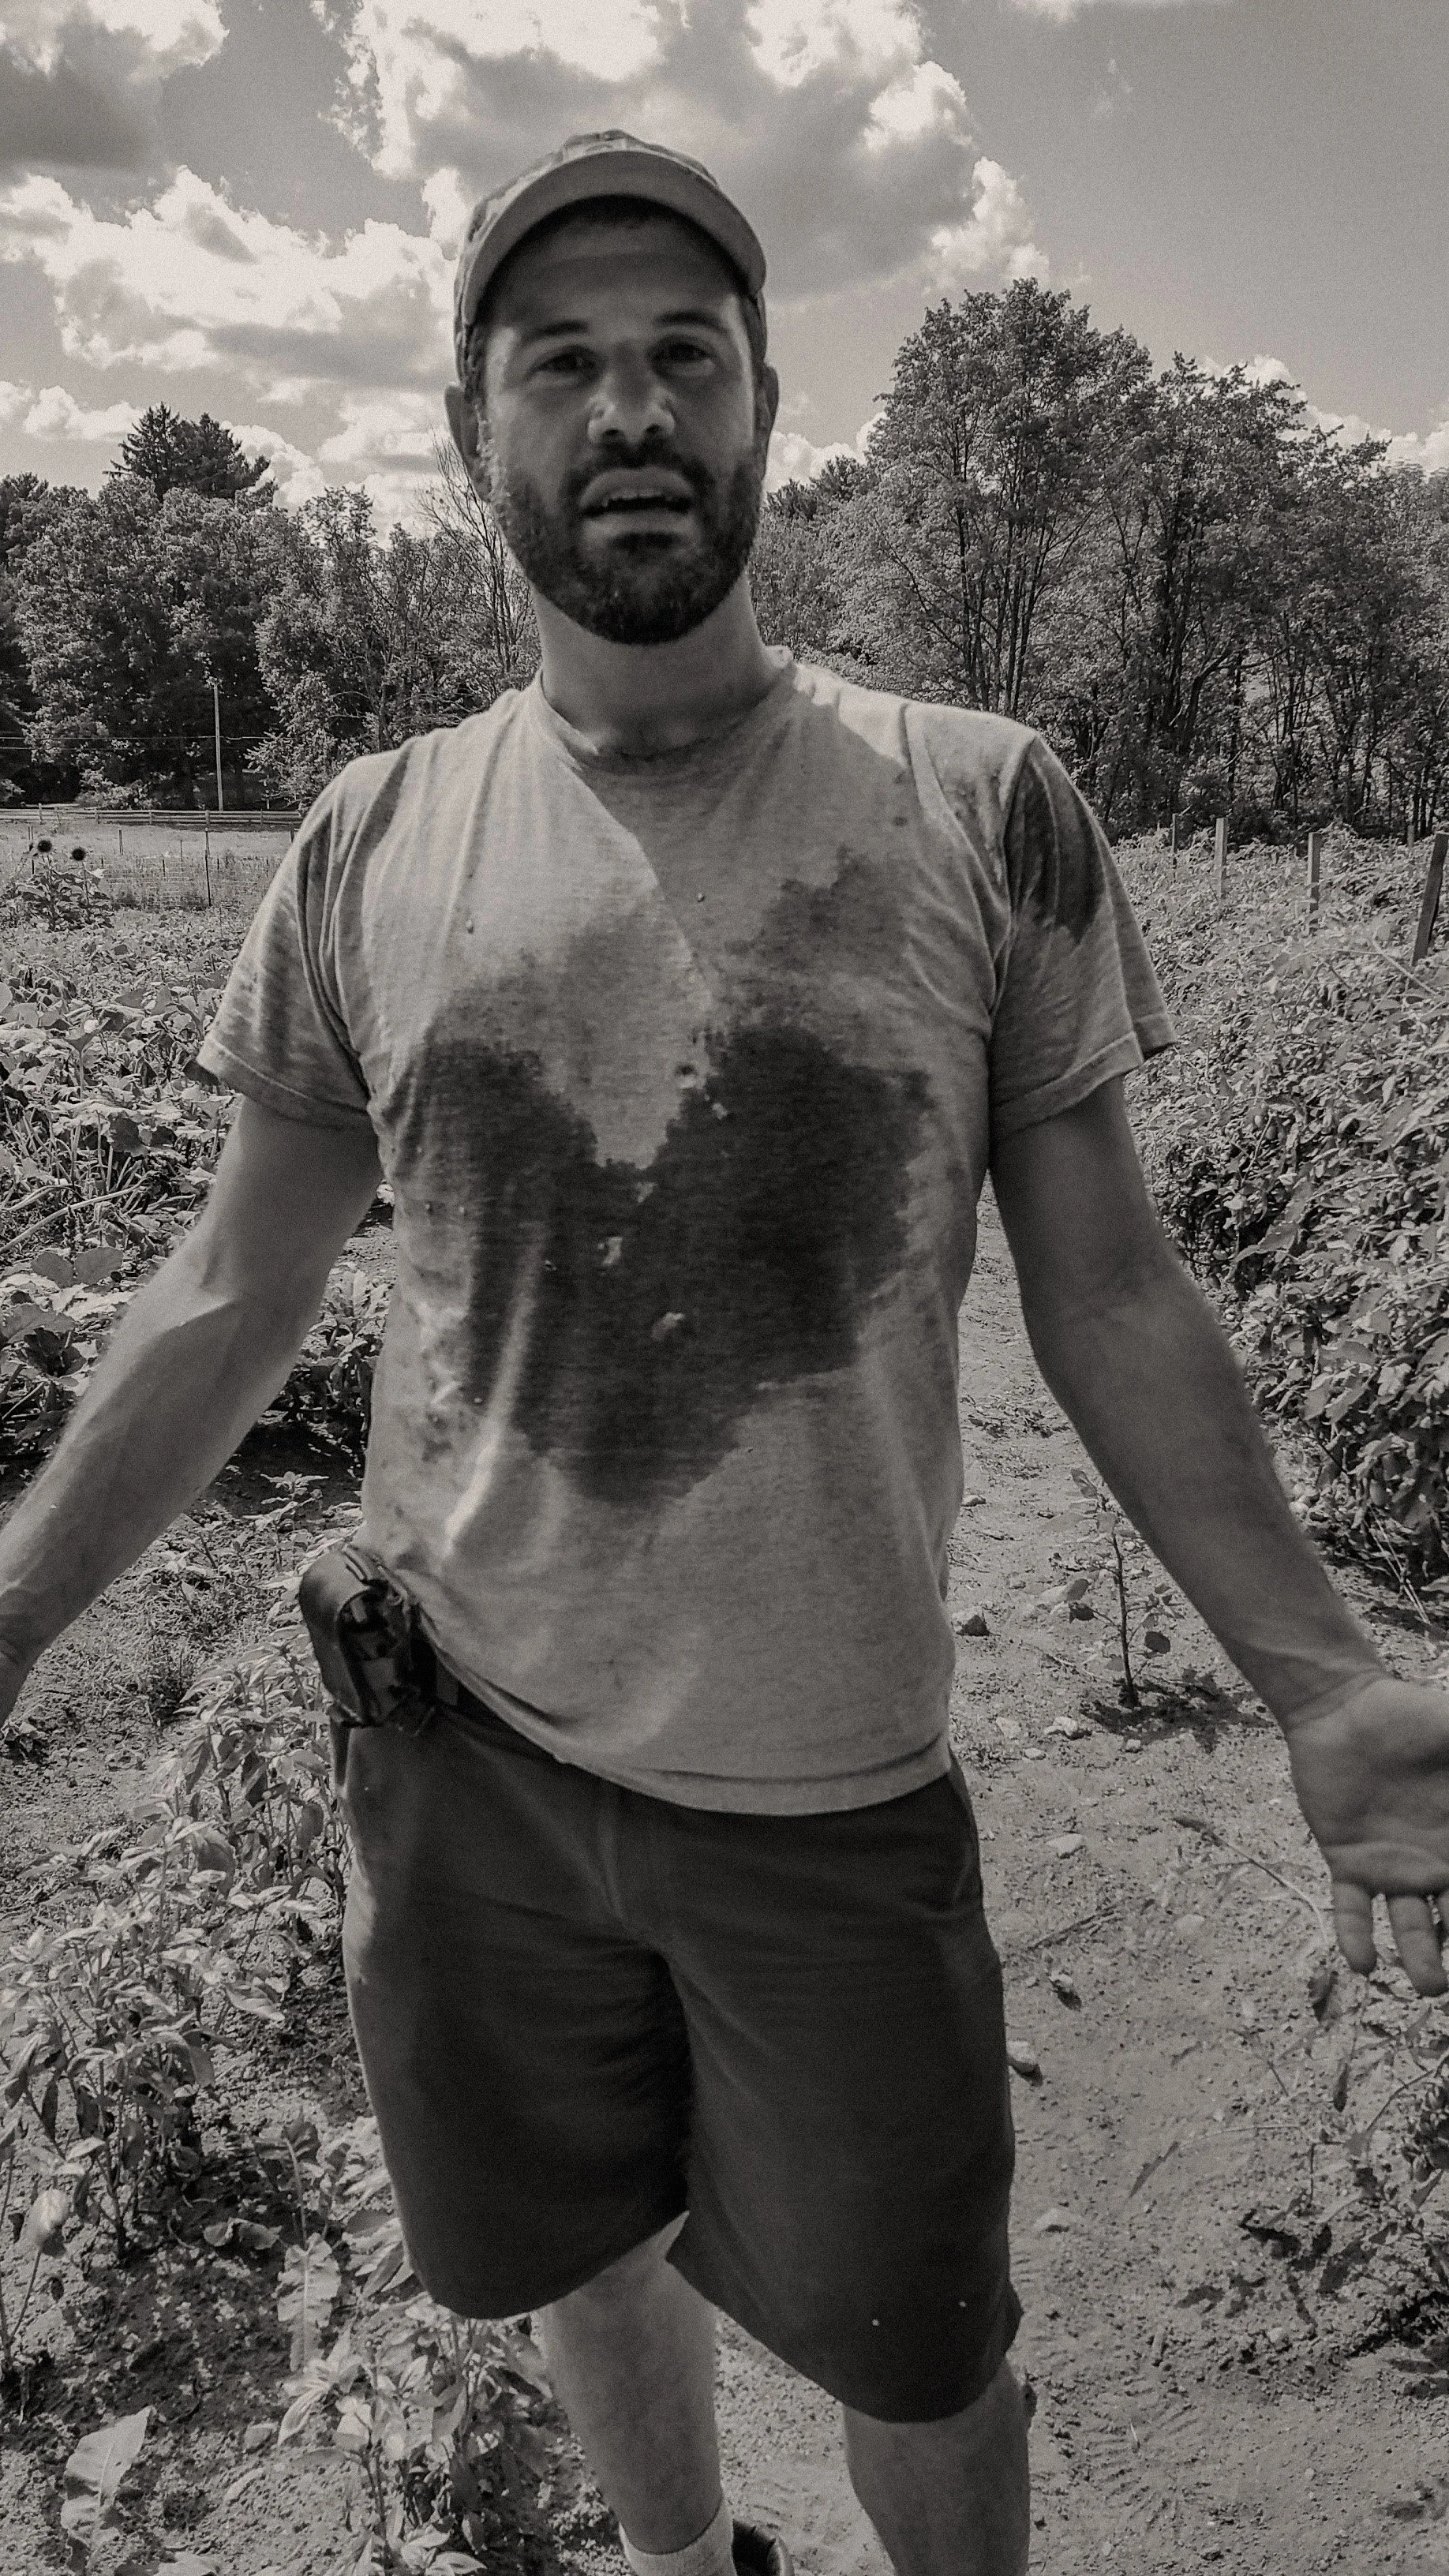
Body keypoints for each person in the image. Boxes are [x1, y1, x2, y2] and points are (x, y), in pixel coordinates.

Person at [2, 129, 1448, 2576]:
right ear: (475, 440)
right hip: (455, 1761)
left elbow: (1105, 1284)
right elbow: (236, 1287)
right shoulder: (370, 841)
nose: (627, 407)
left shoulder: (983, 811)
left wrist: (1316, 1676)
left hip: (828, 1794)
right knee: (569, 2245)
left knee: (918, 2343)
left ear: (769, 408)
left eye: (684, 355)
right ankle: (683, 2567)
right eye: (559, 363)